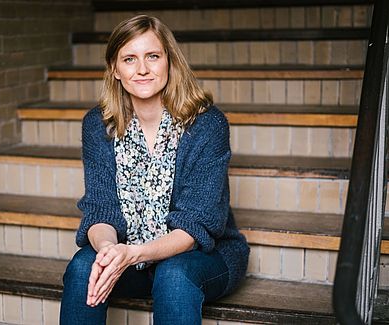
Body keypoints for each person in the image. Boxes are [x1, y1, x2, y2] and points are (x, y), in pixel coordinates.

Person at [60, 14, 249, 325]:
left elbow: (194, 227)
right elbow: (100, 210)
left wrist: (132, 254)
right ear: (114, 69)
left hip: (203, 259)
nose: (143, 69)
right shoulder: (97, 125)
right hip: (131, 257)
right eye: (129, 59)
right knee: (84, 266)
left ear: (169, 61)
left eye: (152, 56)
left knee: (173, 275)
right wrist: (110, 250)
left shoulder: (206, 125)